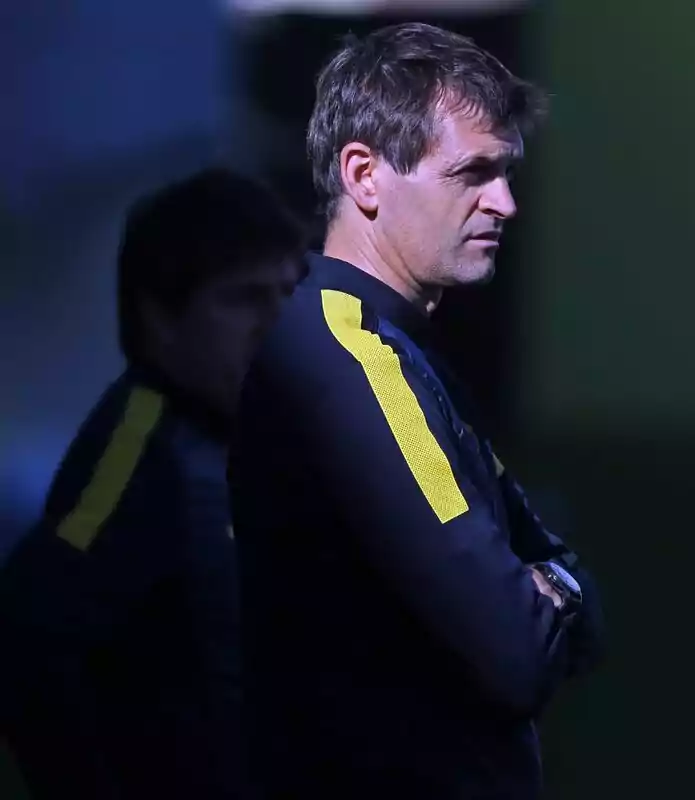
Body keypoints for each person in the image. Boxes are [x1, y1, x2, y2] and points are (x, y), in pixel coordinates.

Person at [228, 22, 604, 799]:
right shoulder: (353, 358)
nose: (504, 202)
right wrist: (552, 591)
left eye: (507, 172)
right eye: (473, 172)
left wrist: (554, 587)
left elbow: (569, 594)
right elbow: (517, 650)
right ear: (364, 175)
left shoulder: (389, 348)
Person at [0, 167, 306, 800]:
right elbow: (28, 634)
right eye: (245, 298)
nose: (278, 324)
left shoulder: (261, 441)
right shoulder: (141, 450)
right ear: (160, 319)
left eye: (288, 292)